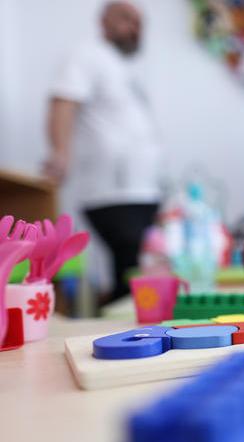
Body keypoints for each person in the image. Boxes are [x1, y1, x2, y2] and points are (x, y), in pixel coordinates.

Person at [43, 1, 162, 303]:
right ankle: (123, 337)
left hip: (142, 190)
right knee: (130, 271)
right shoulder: (86, 55)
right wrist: (60, 152)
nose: (134, 27)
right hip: (110, 191)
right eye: (126, 19)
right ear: (103, 21)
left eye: (139, 21)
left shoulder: (126, 66)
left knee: (137, 271)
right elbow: (63, 102)